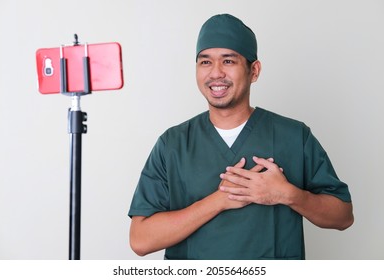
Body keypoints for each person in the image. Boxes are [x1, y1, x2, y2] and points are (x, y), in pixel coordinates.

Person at [128, 14, 354, 260]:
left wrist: (288, 195)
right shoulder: (173, 144)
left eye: (228, 61)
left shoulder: (293, 136)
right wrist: (219, 201)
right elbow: (141, 239)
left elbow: (343, 217)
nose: (215, 73)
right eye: (205, 62)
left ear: (253, 71)